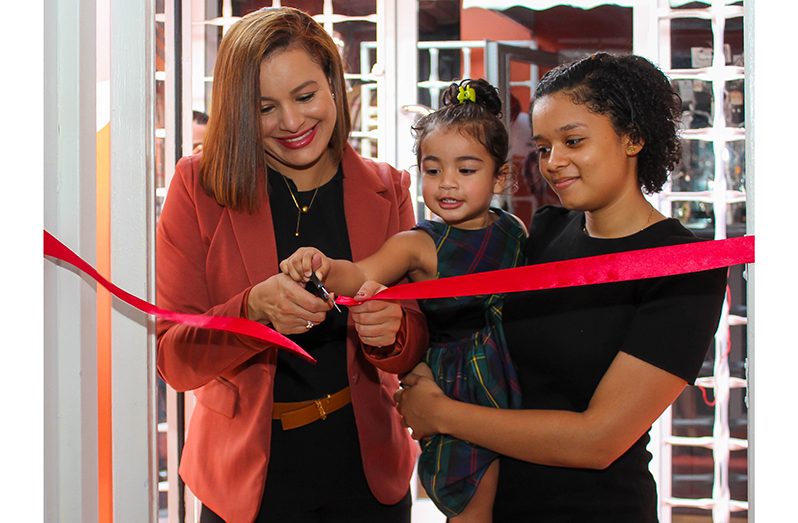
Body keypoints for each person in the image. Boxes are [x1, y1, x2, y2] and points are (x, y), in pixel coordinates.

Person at [395, 52, 728, 522]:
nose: (554, 163)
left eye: (573, 141)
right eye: (544, 147)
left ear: (633, 138)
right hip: (503, 502)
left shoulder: (682, 266)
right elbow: (474, 333)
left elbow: (598, 441)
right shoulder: (547, 230)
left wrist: (441, 413)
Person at [155, 7, 427, 523]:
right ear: (239, 111)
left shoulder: (388, 189)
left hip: (367, 471)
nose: (293, 123)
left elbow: (413, 340)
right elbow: (175, 359)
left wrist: (393, 332)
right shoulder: (198, 187)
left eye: (305, 97)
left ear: (332, 84)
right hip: (245, 481)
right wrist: (251, 310)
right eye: (265, 108)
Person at [281, 78, 525, 522]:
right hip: (460, 388)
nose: (447, 184)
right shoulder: (419, 243)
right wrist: (323, 266)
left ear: (501, 175)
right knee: (474, 505)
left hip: (515, 376)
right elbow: (360, 274)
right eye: (433, 171)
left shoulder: (513, 230)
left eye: (466, 171)